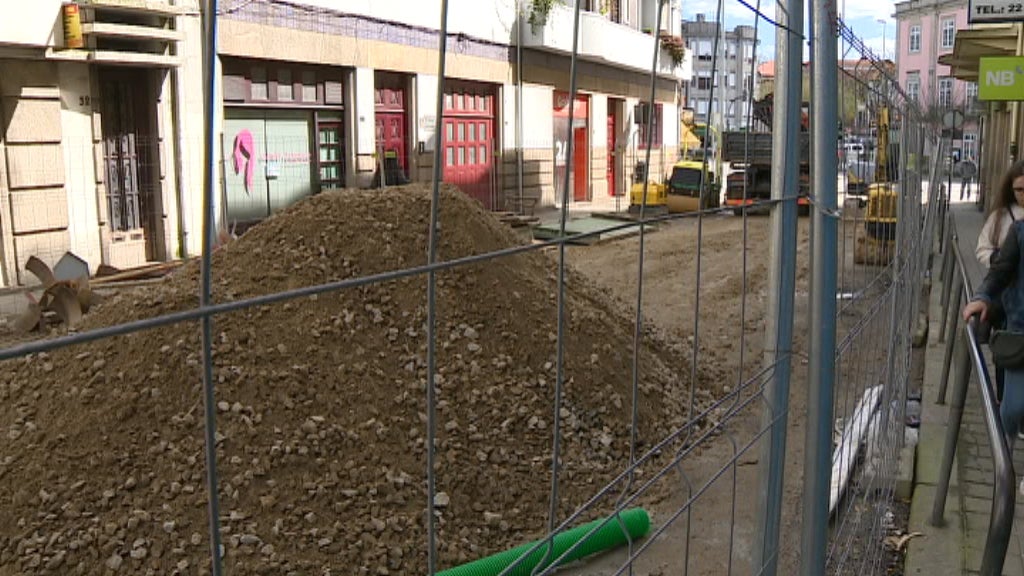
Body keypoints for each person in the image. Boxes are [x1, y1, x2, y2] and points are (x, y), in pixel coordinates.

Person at [964, 161, 1024, 472]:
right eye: (1020, 189)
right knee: (1012, 405)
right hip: (1014, 318)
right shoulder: (1010, 224)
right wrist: (982, 297)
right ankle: (1006, 465)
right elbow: (996, 267)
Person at [976, 160, 1024, 410]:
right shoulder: (1002, 217)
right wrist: (1001, 259)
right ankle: (1004, 401)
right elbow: (982, 250)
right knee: (1007, 352)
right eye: (1020, 189)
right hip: (1006, 300)